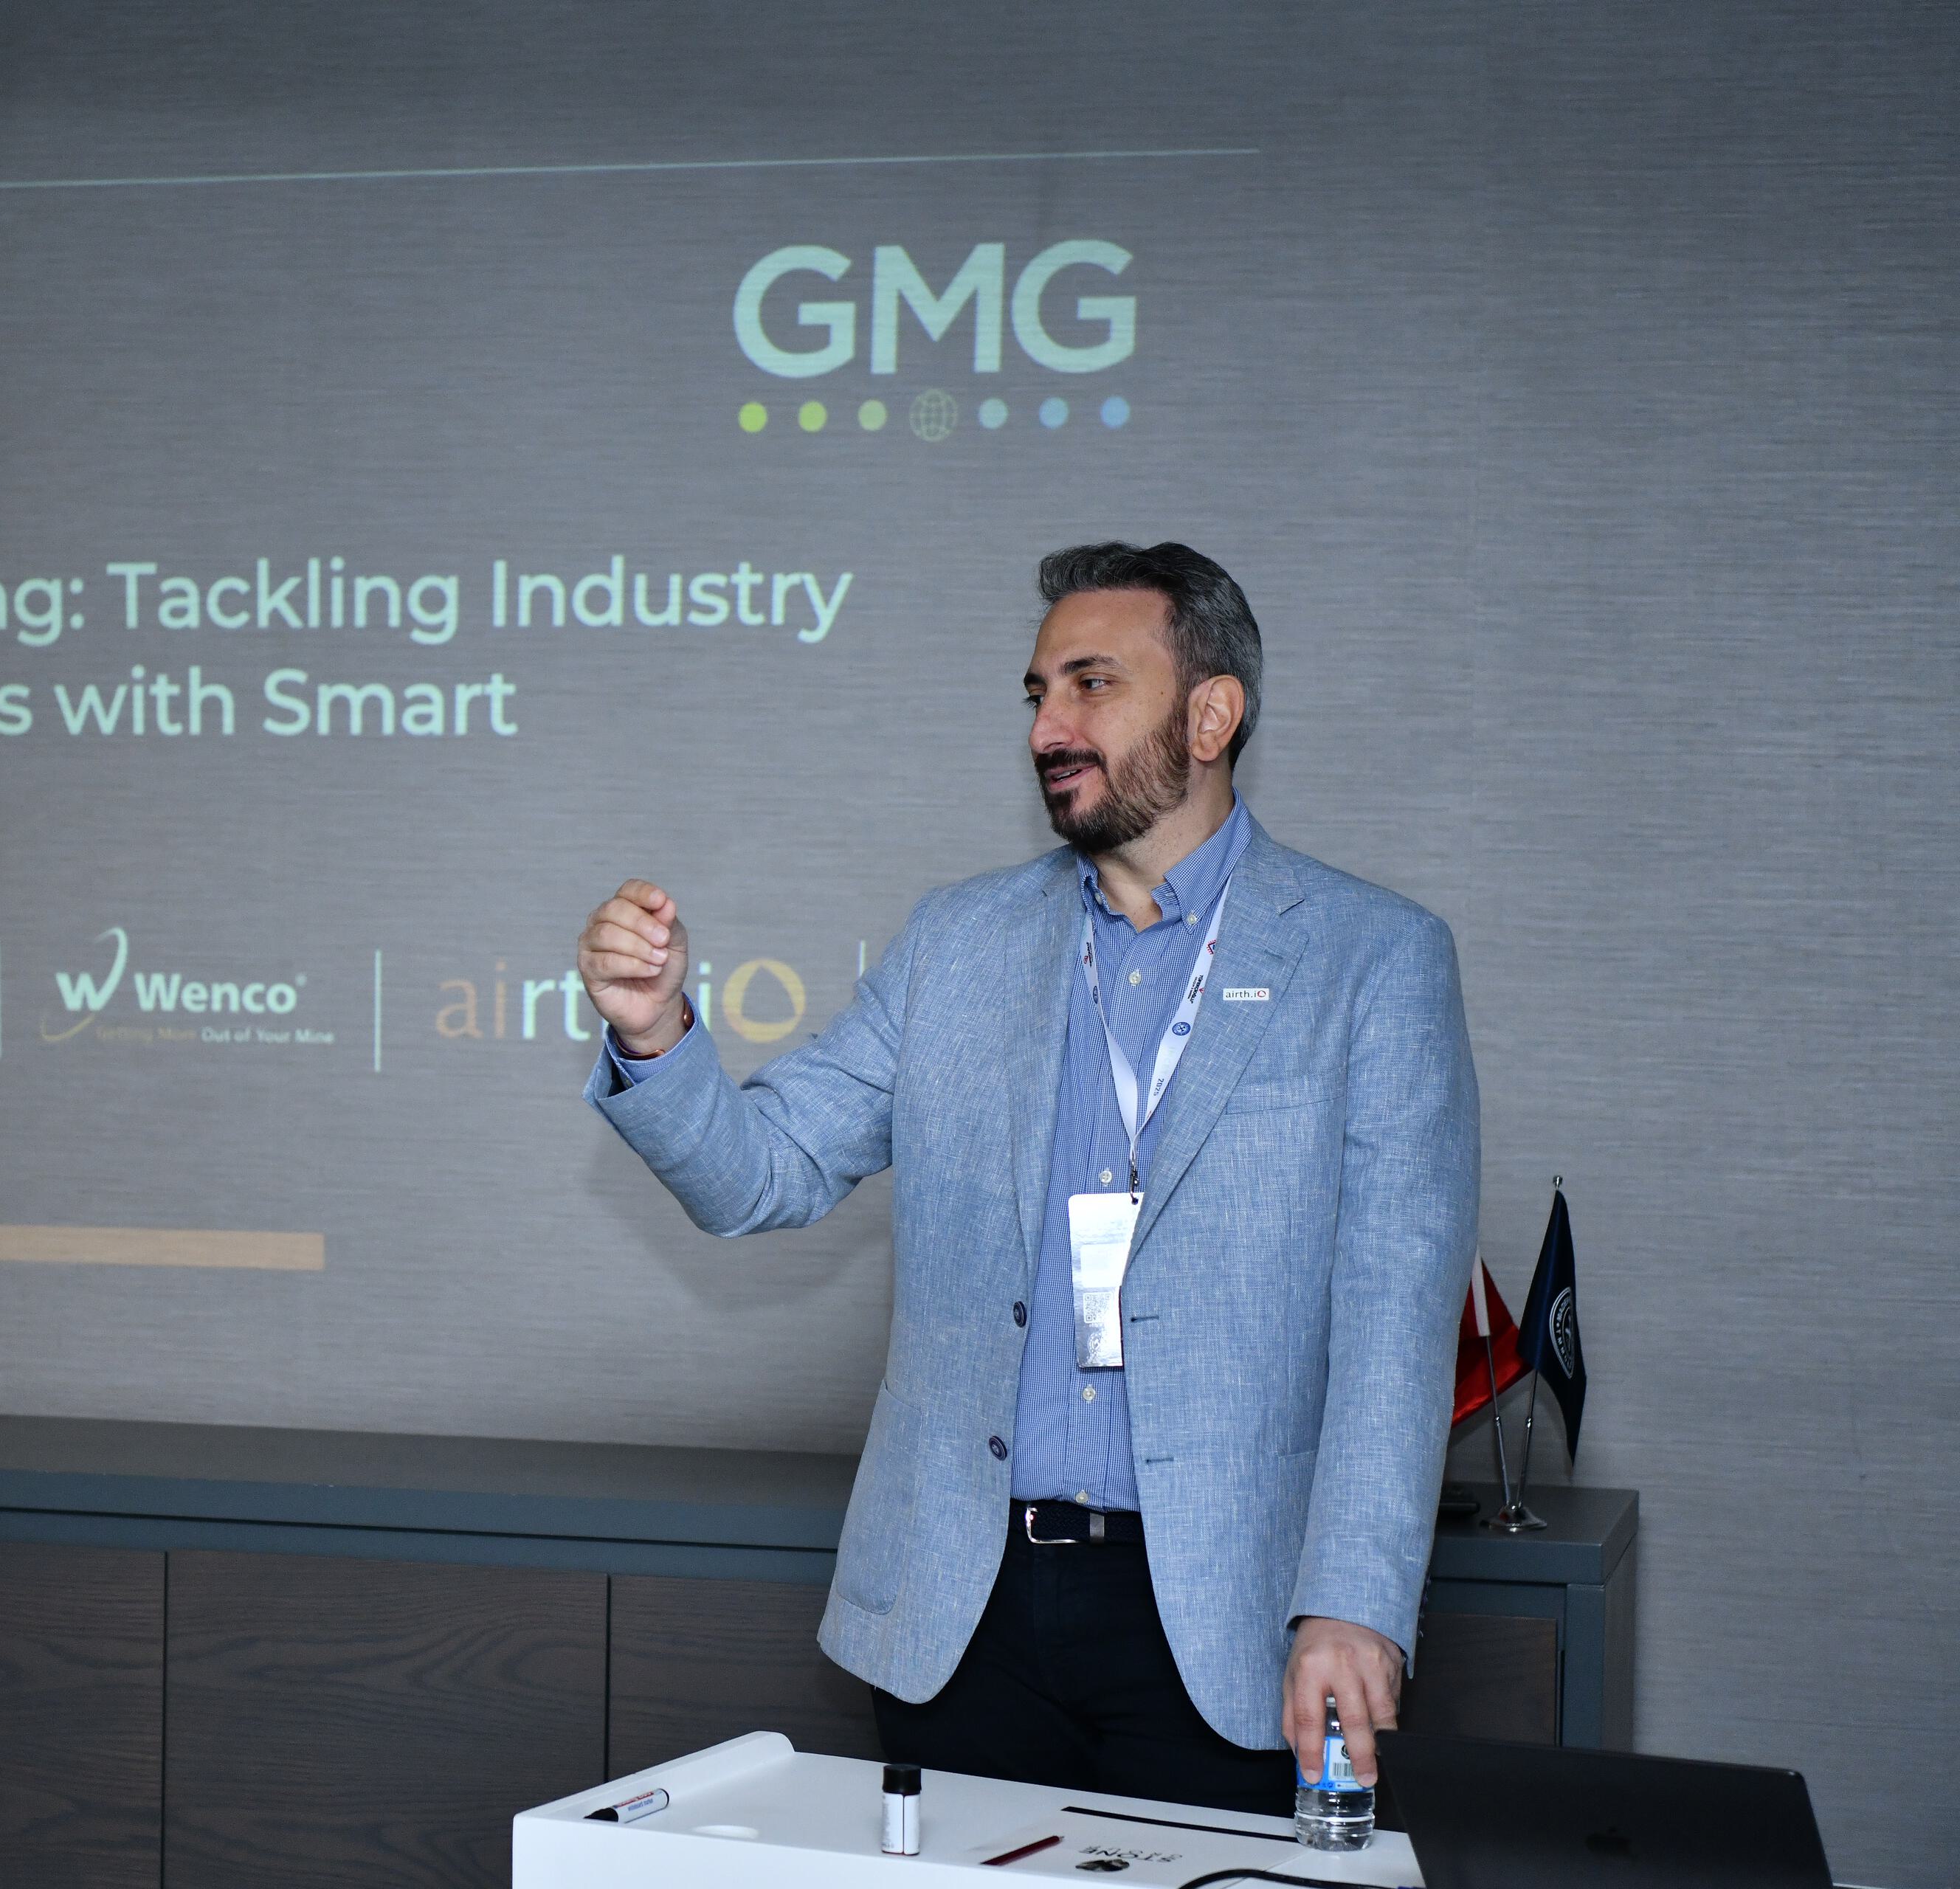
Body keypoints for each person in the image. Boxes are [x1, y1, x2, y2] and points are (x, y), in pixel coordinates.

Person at [575, 542, 1477, 1815]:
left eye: (1093, 685)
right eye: (1039, 693)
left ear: (1211, 716)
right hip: (965, 1616)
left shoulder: (1373, 960)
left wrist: (1353, 1605)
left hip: (1228, 1624)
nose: (1049, 728)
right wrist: (656, 1034)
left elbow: (1398, 1322)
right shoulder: (959, 941)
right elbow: (761, 1173)